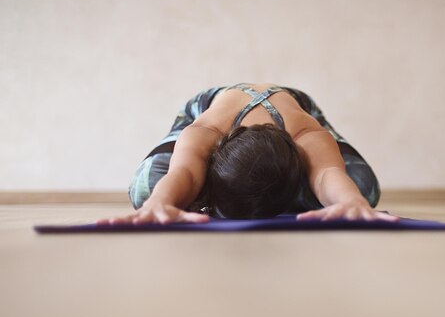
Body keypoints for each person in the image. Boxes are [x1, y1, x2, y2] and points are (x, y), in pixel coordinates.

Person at [100, 83, 398, 224]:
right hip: (210, 106)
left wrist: (351, 201)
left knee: (361, 189)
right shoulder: (205, 131)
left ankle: (234, 198)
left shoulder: (305, 131)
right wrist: (159, 203)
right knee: (148, 190)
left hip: (294, 105)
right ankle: (205, 195)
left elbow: (326, 174)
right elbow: (184, 172)